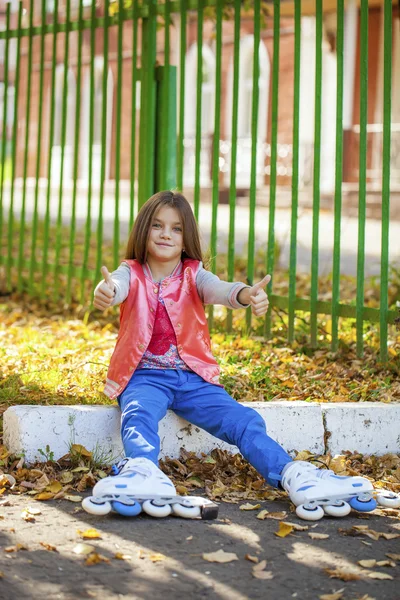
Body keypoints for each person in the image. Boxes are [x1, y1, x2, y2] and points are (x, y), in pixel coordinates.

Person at [88, 190, 396, 521]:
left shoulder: (194, 274)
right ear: (144, 229)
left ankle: (293, 473)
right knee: (138, 414)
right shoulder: (130, 272)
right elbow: (114, 286)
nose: (166, 234)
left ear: (186, 237)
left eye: (176, 228)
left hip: (193, 379)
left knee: (244, 421)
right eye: (158, 226)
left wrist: (246, 294)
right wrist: (106, 292)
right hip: (144, 376)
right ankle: (142, 470)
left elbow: (219, 289)